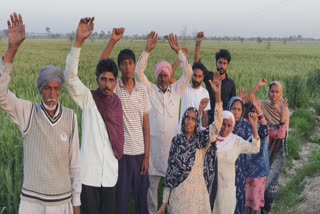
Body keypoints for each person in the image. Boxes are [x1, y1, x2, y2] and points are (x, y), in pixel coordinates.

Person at [0, 13, 81, 214]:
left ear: (61, 89)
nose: (52, 93)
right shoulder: (27, 112)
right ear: (40, 89)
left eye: (56, 88)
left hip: (62, 203)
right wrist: (12, 50)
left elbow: (75, 164)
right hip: (32, 204)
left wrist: (76, 204)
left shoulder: (71, 117)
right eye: (47, 88)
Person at [64, 17, 124, 214]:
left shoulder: (117, 104)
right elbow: (70, 78)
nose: (107, 84)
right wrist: (78, 42)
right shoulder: (89, 99)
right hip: (88, 176)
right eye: (103, 79)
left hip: (110, 175)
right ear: (97, 80)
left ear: (116, 82)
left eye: (111, 80)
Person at [133, 31, 193, 214]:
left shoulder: (176, 90)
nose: (163, 78)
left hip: (172, 151)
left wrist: (178, 52)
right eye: (160, 75)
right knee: (151, 188)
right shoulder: (149, 90)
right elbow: (137, 73)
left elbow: (188, 73)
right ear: (157, 76)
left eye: (166, 75)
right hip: (153, 151)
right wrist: (148, 50)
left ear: (169, 77)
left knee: (172, 187)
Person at [99, 28, 152, 214]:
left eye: (130, 63)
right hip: (120, 154)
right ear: (119, 67)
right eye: (123, 64)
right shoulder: (114, 88)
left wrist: (147, 157)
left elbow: (146, 126)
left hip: (139, 154)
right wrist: (112, 41)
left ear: (134, 66)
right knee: (120, 201)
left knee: (141, 200)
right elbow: (101, 67)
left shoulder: (143, 91)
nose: (127, 67)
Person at [157, 73, 223, 214]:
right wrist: (164, 202)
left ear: (197, 122)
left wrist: (217, 96)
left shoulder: (202, 140)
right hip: (178, 196)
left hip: (197, 196)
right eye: (187, 117)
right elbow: (171, 172)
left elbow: (217, 125)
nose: (189, 121)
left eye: (193, 118)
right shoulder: (177, 141)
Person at [213, 110, 260, 214]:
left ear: (233, 127)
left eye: (229, 125)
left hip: (227, 191)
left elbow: (255, 148)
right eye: (223, 124)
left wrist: (254, 126)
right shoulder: (211, 138)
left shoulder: (236, 141)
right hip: (211, 189)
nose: (225, 128)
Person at [227, 96, 269, 214]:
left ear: (242, 111)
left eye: (239, 109)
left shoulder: (246, 126)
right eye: (233, 108)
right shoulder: (223, 124)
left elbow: (264, 132)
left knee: (238, 201)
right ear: (228, 108)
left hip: (240, 171)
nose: (236, 112)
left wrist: (259, 114)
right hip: (224, 171)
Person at [259, 81, 289, 213]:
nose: (274, 94)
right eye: (272, 91)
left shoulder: (284, 109)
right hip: (263, 150)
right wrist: (258, 86)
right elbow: (249, 102)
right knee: (259, 179)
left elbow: (283, 134)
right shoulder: (263, 105)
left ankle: (266, 209)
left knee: (269, 185)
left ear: (281, 93)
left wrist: (281, 117)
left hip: (276, 152)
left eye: (277, 92)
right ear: (268, 92)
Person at [194, 32, 236, 123]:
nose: (222, 66)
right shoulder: (209, 76)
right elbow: (197, 65)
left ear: (227, 65)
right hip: (208, 120)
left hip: (223, 121)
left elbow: (232, 105)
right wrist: (198, 44)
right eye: (220, 63)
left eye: (224, 63)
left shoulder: (231, 84)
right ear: (216, 63)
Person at [177, 62, 211, 129]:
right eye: (195, 75)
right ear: (191, 74)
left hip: (196, 131)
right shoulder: (184, 87)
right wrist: (179, 59)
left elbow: (205, 116)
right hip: (182, 129)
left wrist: (204, 132)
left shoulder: (205, 92)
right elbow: (170, 79)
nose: (196, 79)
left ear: (203, 77)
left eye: (199, 76)